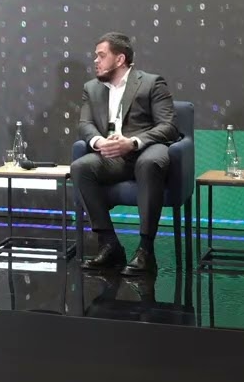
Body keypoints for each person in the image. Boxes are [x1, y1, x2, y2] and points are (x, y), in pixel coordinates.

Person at [70, 32, 180, 276]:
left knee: (149, 163)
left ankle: (146, 251)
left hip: (145, 151)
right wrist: (99, 142)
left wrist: (132, 142)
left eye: (101, 56)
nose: (95, 61)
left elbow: (169, 127)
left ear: (120, 59)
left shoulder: (151, 83)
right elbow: (85, 124)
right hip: (112, 157)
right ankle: (109, 245)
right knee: (80, 167)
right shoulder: (92, 88)